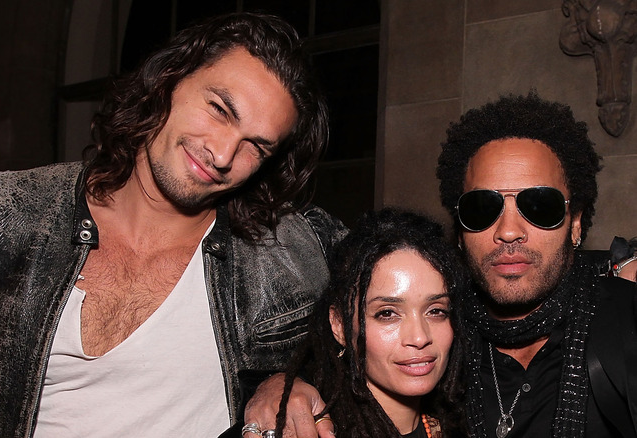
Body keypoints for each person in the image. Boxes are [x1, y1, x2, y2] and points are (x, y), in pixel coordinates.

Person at [0, 12, 347, 437]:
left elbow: (397, 335)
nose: (223, 155)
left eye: (256, 147)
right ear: (168, 81)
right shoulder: (2, 214)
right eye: (219, 110)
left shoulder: (291, 252)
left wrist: (287, 382)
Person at [244, 92, 637, 438]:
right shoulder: (437, 338)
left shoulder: (624, 320)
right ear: (461, 231)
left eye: (541, 206)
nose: (509, 231)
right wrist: (281, 385)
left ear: (576, 224)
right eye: (483, 208)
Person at [230, 208, 467, 438]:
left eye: (436, 311)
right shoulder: (300, 430)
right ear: (339, 325)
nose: (419, 337)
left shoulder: (463, 420)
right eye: (387, 313)